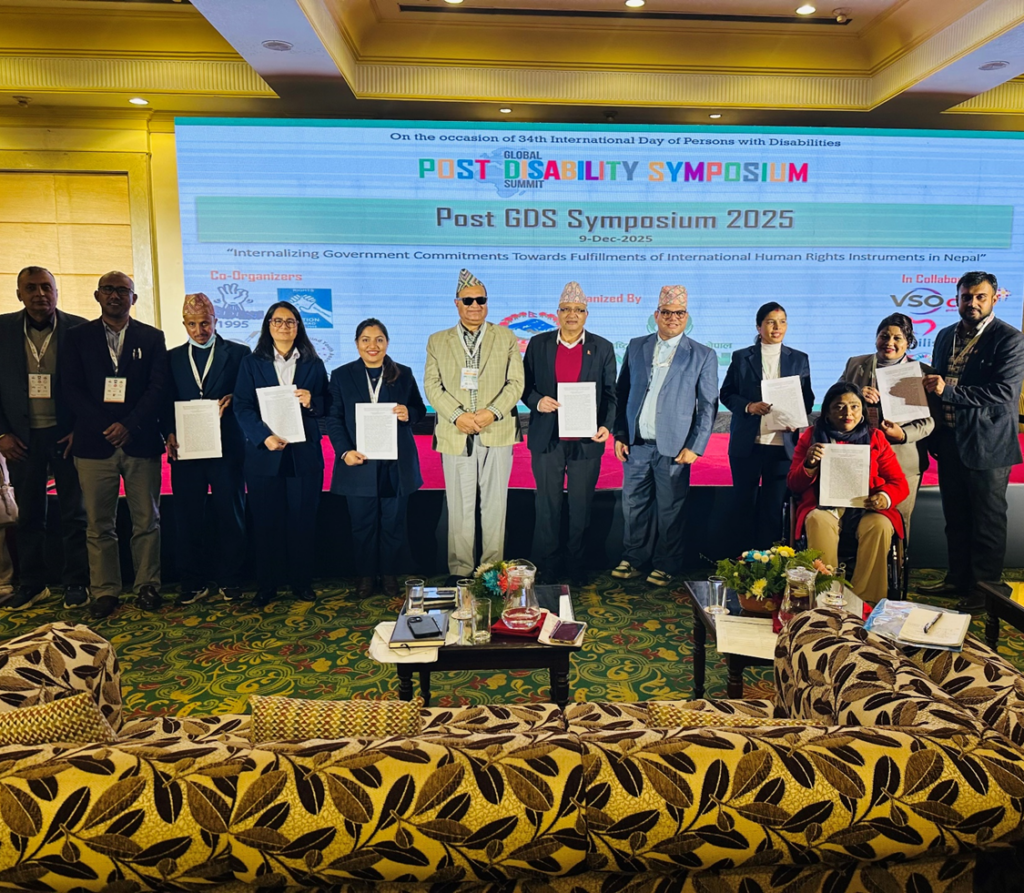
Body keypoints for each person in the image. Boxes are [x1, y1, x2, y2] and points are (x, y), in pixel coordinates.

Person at [61, 271, 169, 619]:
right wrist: (106, 425)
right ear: (97, 296)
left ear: (133, 298)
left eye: (123, 290)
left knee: (147, 521)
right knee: (98, 524)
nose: (115, 295)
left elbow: (158, 388)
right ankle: (105, 591)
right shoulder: (77, 337)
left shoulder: (152, 338)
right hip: (94, 445)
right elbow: (72, 389)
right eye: (108, 289)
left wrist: (129, 425)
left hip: (139, 442)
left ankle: (147, 585)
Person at [922, 271, 1024, 612]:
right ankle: (958, 578)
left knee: (987, 520)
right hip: (951, 439)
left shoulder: (1009, 339)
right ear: (957, 298)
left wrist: (946, 390)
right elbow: (938, 381)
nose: (973, 303)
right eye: (967, 297)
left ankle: (986, 591)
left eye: (980, 297)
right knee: (957, 515)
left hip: (988, 444)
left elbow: (1003, 392)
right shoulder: (945, 335)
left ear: (994, 298)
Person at [611, 285, 718, 588]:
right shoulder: (636, 346)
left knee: (671, 508)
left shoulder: (702, 354)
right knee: (634, 505)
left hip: (674, 448)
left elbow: (709, 405)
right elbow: (622, 393)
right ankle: (633, 558)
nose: (673, 318)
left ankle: (667, 563)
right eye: (667, 313)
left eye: (679, 313)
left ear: (687, 317)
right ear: (656, 315)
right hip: (637, 443)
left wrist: (696, 446)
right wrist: (620, 434)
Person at [424, 269, 525, 584]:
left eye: (481, 300)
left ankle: (492, 573)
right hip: (456, 434)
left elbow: (516, 383)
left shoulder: (505, 337)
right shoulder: (438, 340)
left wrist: (491, 413)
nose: (475, 305)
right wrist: (458, 416)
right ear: (457, 303)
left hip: (496, 430)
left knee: (495, 507)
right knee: (460, 507)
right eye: (468, 300)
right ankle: (461, 571)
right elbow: (431, 385)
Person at [0, 267, 90, 609]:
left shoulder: (80, 329)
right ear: (19, 293)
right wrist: (1, 435)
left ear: (56, 291)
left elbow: (92, 386)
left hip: (66, 435)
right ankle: (33, 584)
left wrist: (81, 429)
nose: (40, 294)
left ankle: (76, 582)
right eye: (31, 288)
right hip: (20, 439)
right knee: (29, 515)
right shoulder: (3, 329)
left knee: (74, 513)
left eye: (46, 287)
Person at [233, 301, 329, 607]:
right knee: (265, 523)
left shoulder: (314, 363)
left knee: (303, 522)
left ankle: (302, 582)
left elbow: (327, 404)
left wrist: (312, 401)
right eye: (278, 321)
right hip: (265, 456)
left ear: (298, 326)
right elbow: (242, 406)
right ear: (268, 325)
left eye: (291, 322)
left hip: (304, 456)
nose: (284, 327)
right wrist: (264, 437)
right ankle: (267, 585)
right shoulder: (252, 363)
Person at [523, 281, 616, 586]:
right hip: (548, 439)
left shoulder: (602, 347)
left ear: (586, 314)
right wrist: (537, 401)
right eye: (566, 309)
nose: (572, 315)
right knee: (547, 506)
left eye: (578, 310)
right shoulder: (539, 344)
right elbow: (524, 386)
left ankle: (576, 567)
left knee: (581, 507)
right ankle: (548, 567)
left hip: (586, 441)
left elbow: (610, 393)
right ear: (557, 313)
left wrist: (606, 425)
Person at [327, 318, 426, 599]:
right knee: (362, 525)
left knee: (393, 524)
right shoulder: (342, 375)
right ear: (357, 344)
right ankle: (366, 576)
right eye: (366, 340)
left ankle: (390, 575)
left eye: (379, 339)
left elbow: (417, 409)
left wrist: (410, 414)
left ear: (387, 343)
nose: (373, 345)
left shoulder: (403, 373)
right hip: (359, 462)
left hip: (395, 464)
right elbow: (334, 418)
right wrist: (344, 451)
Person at [164, 293, 251, 606]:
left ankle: (231, 579)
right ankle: (192, 581)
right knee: (188, 516)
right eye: (192, 324)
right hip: (187, 447)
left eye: (205, 323)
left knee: (231, 513)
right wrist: (168, 432)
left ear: (216, 321)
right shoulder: (172, 357)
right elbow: (164, 400)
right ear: (184, 325)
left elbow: (249, 394)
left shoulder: (240, 353)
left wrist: (234, 399)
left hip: (226, 445)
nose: (199, 329)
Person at [788, 382, 909, 604]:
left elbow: (898, 482)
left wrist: (884, 498)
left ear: (863, 410)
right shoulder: (811, 436)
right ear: (827, 411)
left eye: (854, 406)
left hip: (866, 506)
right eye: (839, 407)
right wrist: (809, 464)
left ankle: (866, 601)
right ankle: (827, 595)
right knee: (817, 519)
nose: (848, 413)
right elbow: (794, 484)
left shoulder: (876, 438)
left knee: (880, 525)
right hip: (825, 506)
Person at [719, 301, 813, 552]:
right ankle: (741, 560)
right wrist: (749, 406)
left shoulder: (799, 359)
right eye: (771, 322)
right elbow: (726, 394)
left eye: (782, 322)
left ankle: (767, 561)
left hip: (782, 446)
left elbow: (808, 398)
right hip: (747, 443)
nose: (777, 327)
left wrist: (796, 416)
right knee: (743, 504)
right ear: (759, 326)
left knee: (773, 509)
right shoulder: (742, 357)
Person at [840, 313, 938, 541]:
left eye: (897, 338)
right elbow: (833, 403)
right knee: (856, 524)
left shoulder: (922, 372)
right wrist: (855, 395)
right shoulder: (856, 364)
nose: (889, 343)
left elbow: (930, 422)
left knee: (898, 525)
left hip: (903, 459)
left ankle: (896, 574)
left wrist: (903, 434)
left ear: (908, 342)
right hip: (859, 457)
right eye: (884, 336)